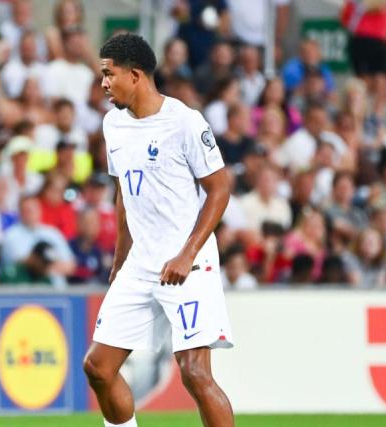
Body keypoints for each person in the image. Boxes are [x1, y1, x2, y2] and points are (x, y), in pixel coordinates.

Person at [84, 34, 234, 427]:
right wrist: (120, 258)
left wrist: (187, 254)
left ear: (135, 75)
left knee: (195, 374)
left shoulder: (184, 122)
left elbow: (220, 188)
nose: (103, 83)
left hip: (188, 263)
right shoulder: (112, 124)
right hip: (139, 265)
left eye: (108, 73)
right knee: (98, 367)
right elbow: (123, 194)